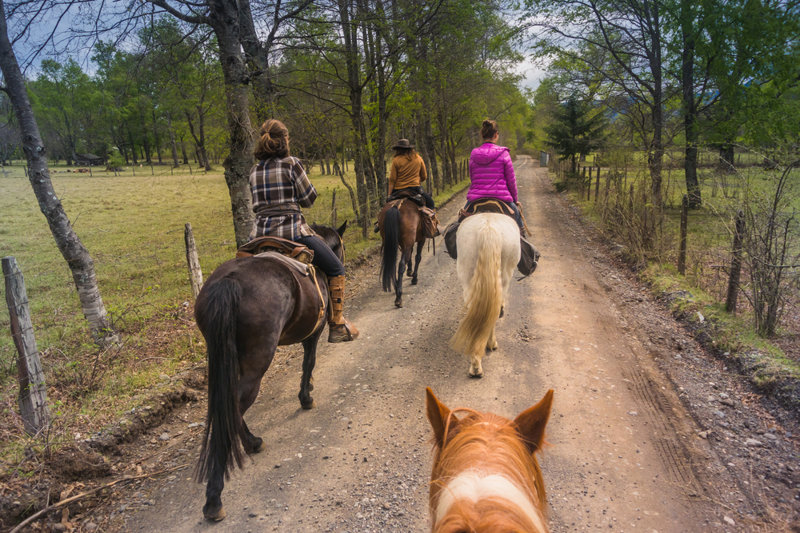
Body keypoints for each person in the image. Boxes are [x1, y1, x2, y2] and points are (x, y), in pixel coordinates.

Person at [249, 119, 359, 343]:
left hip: (259, 237)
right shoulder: (292, 164)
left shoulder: (254, 170)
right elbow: (309, 199)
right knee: (336, 268)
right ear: (284, 140)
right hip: (293, 233)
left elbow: (256, 204)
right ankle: (337, 324)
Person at [466, 119, 525, 232]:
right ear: (496, 135)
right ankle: (522, 236)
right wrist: (515, 199)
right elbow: (511, 181)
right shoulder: (504, 154)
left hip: (476, 198)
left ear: (482, 135)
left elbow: (473, 178)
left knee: (459, 223)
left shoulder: (474, 154)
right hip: (501, 197)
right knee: (517, 218)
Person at [388, 138, 434, 209]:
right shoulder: (418, 158)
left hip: (398, 190)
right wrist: (415, 181)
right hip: (414, 189)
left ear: (398, 149)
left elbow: (392, 180)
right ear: (409, 149)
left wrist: (389, 195)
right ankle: (432, 219)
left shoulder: (396, 160)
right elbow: (424, 176)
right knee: (431, 203)